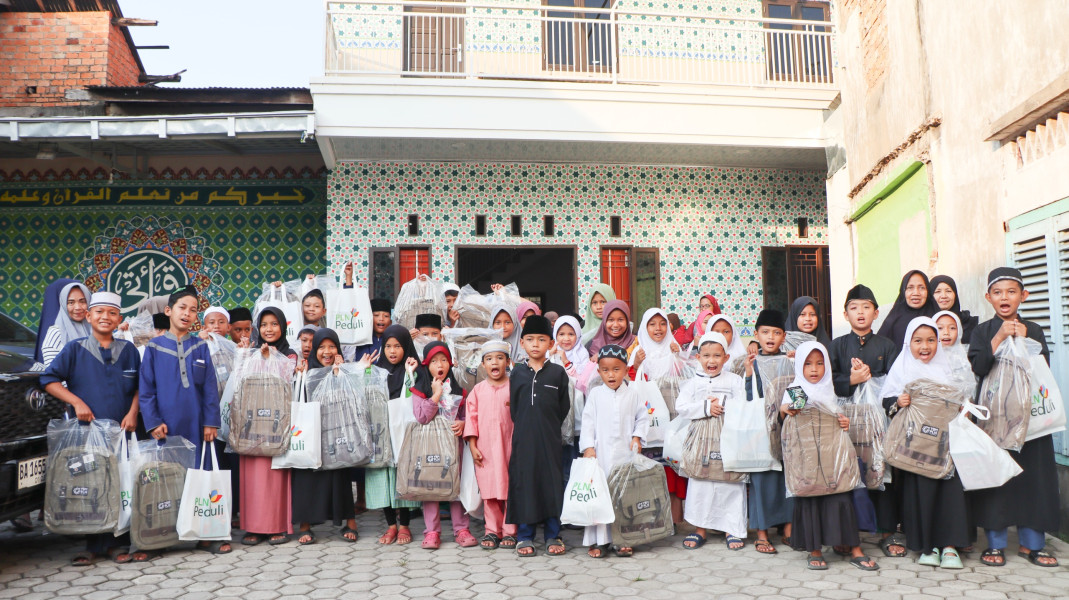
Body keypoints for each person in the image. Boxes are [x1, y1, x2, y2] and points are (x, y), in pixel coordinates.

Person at [41, 291, 144, 565]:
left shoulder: (129, 351)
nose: (105, 317)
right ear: (88, 316)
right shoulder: (74, 349)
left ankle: (116, 544)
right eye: (99, 312)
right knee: (88, 485)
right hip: (88, 434)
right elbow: (49, 380)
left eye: (112, 313)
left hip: (122, 433)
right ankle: (89, 544)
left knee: (120, 484)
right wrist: (76, 402)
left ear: (119, 318)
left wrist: (133, 412)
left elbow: (139, 388)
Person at [968, 267, 1060, 568]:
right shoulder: (982, 331)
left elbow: (1043, 368)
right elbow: (979, 368)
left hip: (1031, 419)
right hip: (995, 418)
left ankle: (1032, 544)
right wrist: (998, 338)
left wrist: (1026, 342)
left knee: (1033, 479)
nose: (1004, 297)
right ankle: (994, 544)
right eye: (997, 292)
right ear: (988, 297)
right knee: (997, 476)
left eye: (1011, 291)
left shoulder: (1033, 329)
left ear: (1023, 296)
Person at [138, 286, 225, 557]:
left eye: (193, 310)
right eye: (182, 308)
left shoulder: (200, 346)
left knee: (199, 476)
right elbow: (146, 389)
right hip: (165, 426)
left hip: (196, 426)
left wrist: (211, 421)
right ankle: (160, 536)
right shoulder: (153, 348)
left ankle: (205, 533)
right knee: (164, 480)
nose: (187, 313)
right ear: (169, 311)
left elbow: (210, 389)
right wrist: (152, 422)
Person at [882, 317, 974, 569]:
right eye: (918, 340)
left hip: (945, 446)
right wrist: (898, 402)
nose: (925, 346)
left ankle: (950, 546)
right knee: (921, 494)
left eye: (931, 340)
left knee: (949, 493)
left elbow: (963, 399)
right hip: (916, 449)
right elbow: (887, 400)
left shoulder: (948, 369)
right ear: (908, 343)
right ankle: (928, 545)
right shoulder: (902, 368)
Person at [783, 341, 878, 571]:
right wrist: (787, 409)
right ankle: (814, 550)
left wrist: (843, 420)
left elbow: (837, 413)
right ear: (799, 367)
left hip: (832, 454)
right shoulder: (797, 389)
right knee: (811, 498)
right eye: (807, 364)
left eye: (819, 363)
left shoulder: (830, 388)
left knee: (841, 496)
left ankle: (854, 548)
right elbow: (788, 409)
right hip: (807, 457)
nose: (814, 369)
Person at [828, 284, 902, 557]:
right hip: (845, 421)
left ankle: (887, 533)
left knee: (882, 471)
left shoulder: (887, 346)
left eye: (866, 307)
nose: (860, 313)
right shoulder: (836, 346)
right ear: (845, 314)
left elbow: (896, 382)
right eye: (854, 308)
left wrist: (872, 378)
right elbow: (825, 381)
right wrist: (851, 380)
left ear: (876, 313)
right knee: (847, 472)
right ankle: (847, 533)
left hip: (879, 421)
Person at [291, 328, 365, 546]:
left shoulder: (343, 371)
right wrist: (300, 375)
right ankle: (305, 525)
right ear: (314, 350)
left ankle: (350, 522)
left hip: (336, 433)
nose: (327, 351)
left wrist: (339, 375)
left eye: (331, 346)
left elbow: (352, 400)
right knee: (306, 475)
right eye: (321, 347)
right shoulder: (307, 371)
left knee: (339, 475)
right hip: (311, 432)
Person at [676, 331, 747, 551]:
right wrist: (706, 407)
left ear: (726, 358)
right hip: (701, 440)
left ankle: (732, 528)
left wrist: (722, 403)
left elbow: (743, 402)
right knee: (701, 482)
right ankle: (700, 529)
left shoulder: (735, 380)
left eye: (717, 356)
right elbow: (681, 407)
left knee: (730, 481)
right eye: (706, 356)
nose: (711, 361)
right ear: (698, 358)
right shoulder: (692, 383)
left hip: (728, 438)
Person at [508, 315, 571, 557]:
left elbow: (563, 407)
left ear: (550, 343)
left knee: (551, 484)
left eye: (542, 339)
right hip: (524, 440)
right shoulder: (517, 374)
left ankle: (553, 534)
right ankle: (525, 536)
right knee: (526, 484)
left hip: (550, 440)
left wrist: (548, 426)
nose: (536, 344)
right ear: (522, 343)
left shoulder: (557, 373)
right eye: (530, 339)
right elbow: (514, 408)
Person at [578, 344, 649, 559]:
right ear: (598, 371)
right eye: (606, 370)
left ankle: (623, 539)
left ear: (626, 370)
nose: (611, 374)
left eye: (616, 369)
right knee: (601, 496)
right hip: (601, 456)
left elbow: (643, 418)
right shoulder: (596, 394)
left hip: (625, 456)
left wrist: (637, 436)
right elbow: (587, 423)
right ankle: (600, 541)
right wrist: (588, 447)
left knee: (624, 497)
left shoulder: (633, 394)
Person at [237, 307, 296, 547]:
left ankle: (277, 526)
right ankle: (253, 527)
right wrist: (245, 356)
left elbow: (287, 384)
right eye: (264, 325)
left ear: (282, 326)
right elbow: (240, 381)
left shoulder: (289, 354)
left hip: (275, 425)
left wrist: (270, 360)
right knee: (252, 476)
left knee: (275, 477)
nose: (268, 329)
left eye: (274, 324)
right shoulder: (251, 352)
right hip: (252, 424)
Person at [411, 342, 478, 549]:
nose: (439, 365)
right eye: (433, 361)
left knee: (455, 486)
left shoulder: (460, 390)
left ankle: (461, 529)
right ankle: (432, 531)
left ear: (450, 363)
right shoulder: (419, 389)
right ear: (425, 365)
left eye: (443, 360)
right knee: (431, 487)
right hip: (429, 448)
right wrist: (436, 395)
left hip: (453, 449)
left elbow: (468, 416)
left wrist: (463, 423)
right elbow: (422, 417)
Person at [629, 308, 687, 526]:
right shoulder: (639, 351)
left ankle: (675, 519)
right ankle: (653, 519)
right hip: (649, 420)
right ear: (644, 327)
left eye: (662, 324)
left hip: (672, 417)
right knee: (652, 468)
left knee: (672, 467)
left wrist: (678, 356)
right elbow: (630, 382)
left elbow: (686, 378)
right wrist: (635, 365)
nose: (658, 329)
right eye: (652, 324)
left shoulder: (675, 348)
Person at [744, 309, 793, 554]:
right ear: (756, 335)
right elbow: (747, 398)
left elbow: (801, 387)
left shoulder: (791, 360)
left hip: (787, 425)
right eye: (765, 332)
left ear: (784, 336)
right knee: (762, 477)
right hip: (760, 429)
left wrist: (791, 409)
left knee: (787, 476)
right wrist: (748, 374)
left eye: (776, 333)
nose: (770, 337)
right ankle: (761, 532)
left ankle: (788, 527)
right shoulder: (751, 363)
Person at [369, 325, 423, 545]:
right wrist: (365, 370)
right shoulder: (375, 370)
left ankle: (405, 526)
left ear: (406, 347)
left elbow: (417, 394)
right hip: (381, 432)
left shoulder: (413, 370)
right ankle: (391, 525)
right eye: (388, 346)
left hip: (402, 433)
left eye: (398, 346)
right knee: (384, 478)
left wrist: (411, 373)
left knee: (402, 476)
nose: (392, 351)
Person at [464, 340, 517, 550]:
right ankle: (492, 531)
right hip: (484, 450)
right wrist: (473, 446)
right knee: (490, 492)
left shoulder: (514, 388)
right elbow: (472, 419)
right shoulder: (477, 390)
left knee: (509, 490)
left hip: (510, 448)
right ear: (483, 365)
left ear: (508, 362)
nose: (494, 362)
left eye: (499, 358)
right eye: (489, 359)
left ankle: (511, 531)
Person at [878, 270, 938, 350]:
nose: (916, 293)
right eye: (910, 288)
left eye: (921, 288)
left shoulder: (938, 319)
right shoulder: (892, 322)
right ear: (903, 292)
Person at [40, 281, 92, 367]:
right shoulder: (56, 333)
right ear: (64, 305)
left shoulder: (94, 329)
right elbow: (52, 373)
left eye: (82, 301)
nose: (78, 307)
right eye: (71, 302)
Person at [929, 275, 979, 343]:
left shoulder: (971, 324)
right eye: (937, 291)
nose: (944, 296)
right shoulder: (925, 324)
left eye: (948, 291)